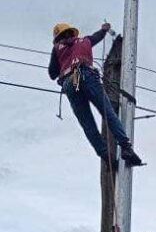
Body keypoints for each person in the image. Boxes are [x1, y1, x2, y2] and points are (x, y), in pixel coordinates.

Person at [48, 22, 143, 167]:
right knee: (107, 112)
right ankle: (126, 148)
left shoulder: (57, 48)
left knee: (87, 123)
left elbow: (52, 74)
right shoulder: (85, 40)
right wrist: (104, 30)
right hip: (85, 74)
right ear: (73, 33)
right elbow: (97, 36)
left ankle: (105, 155)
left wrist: (63, 59)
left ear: (57, 38)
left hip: (69, 82)